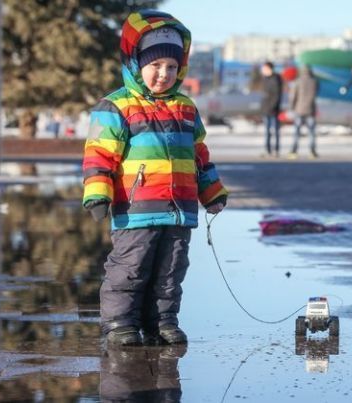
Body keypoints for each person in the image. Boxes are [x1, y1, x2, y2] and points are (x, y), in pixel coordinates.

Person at [82, 10, 228, 347]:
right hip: (136, 208)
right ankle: (120, 323)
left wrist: (212, 192)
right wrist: (98, 193)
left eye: (172, 67)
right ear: (135, 63)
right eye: (155, 66)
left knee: (171, 271)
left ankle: (161, 321)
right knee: (130, 268)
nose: (164, 74)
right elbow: (99, 154)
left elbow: (198, 155)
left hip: (179, 210)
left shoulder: (186, 108)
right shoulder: (116, 106)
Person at [288, 65, 320, 159]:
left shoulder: (297, 82)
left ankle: (294, 151)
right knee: (311, 132)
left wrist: (292, 107)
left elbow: (293, 96)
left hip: (299, 109)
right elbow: (316, 94)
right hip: (311, 109)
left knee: (297, 132)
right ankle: (312, 151)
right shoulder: (314, 82)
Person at [260, 61, 283, 157]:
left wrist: (273, 107)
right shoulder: (265, 79)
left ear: (269, 68)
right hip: (266, 108)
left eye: (264, 68)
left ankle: (276, 149)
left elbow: (277, 95)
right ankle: (268, 149)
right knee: (267, 131)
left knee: (275, 130)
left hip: (273, 109)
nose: (262, 70)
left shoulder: (276, 79)